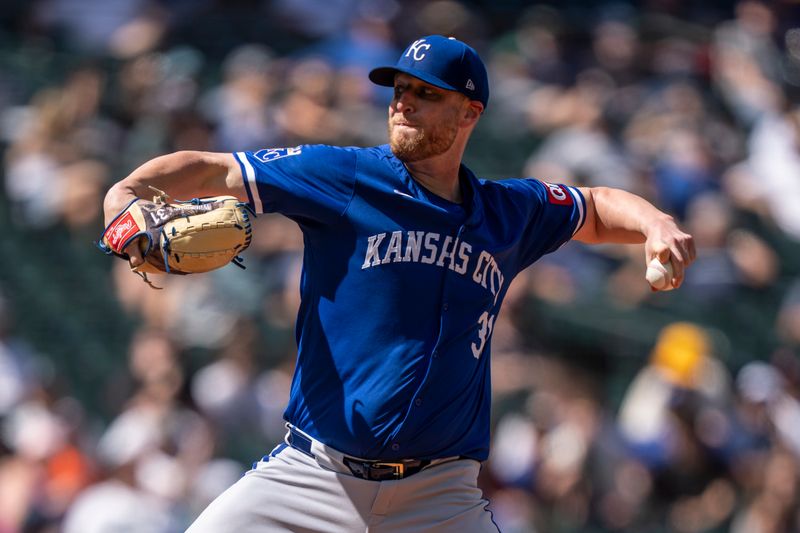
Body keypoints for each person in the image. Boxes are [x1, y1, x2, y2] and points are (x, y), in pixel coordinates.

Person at [103, 35, 695, 532]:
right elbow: (218, 169)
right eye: (399, 90)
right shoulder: (346, 177)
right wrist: (123, 200)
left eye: (425, 94)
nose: (403, 104)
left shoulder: (509, 212)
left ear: (470, 113)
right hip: (314, 476)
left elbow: (592, 206)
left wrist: (655, 223)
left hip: (440, 496)